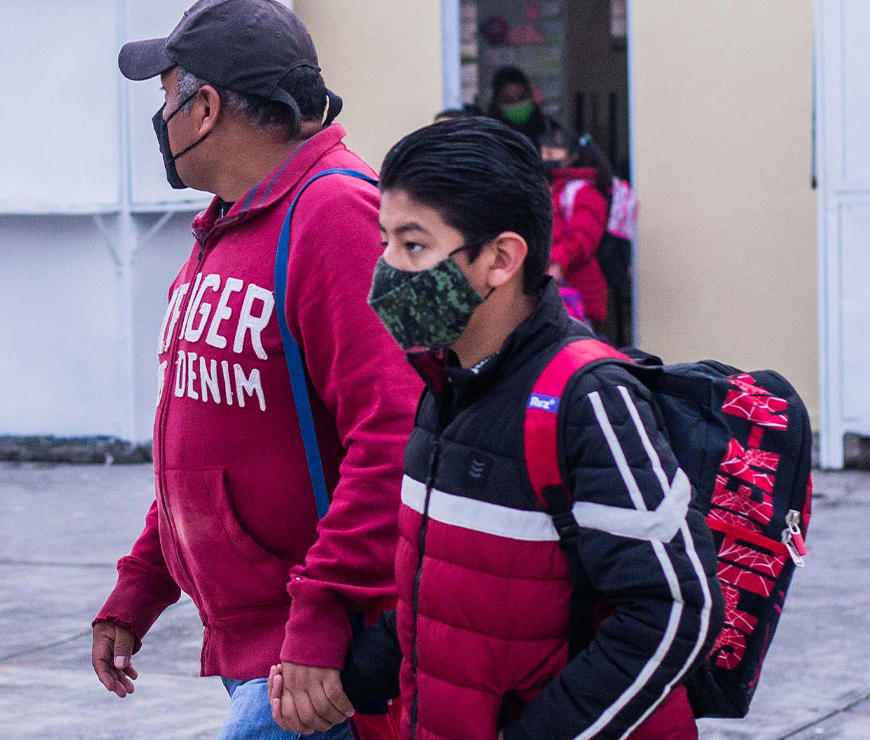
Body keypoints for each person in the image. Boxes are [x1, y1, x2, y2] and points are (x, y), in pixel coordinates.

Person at [270, 117, 722, 740]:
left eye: (413, 246)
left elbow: (674, 612)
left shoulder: (588, 399)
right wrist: (345, 682)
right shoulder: (443, 387)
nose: (387, 269)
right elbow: (439, 600)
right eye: (384, 242)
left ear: (501, 259)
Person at [92, 2, 419, 739]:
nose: (161, 119)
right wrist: (141, 585)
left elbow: (395, 437)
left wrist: (322, 621)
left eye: (166, 96)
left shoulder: (335, 213)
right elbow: (211, 448)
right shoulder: (231, 224)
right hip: (266, 652)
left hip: (315, 661)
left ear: (205, 108)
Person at [542, 129, 611, 329]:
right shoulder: (554, 189)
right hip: (556, 285)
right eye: (543, 153)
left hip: (576, 290)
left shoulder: (583, 192)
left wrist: (557, 261)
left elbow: (583, 238)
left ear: (572, 157)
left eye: (551, 153)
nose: (545, 158)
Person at [487, 66, 560, 149]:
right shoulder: (488, 135)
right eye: (508, 100)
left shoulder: (549, 129)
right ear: (497, 102)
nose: (517, 104)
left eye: (521, 97)